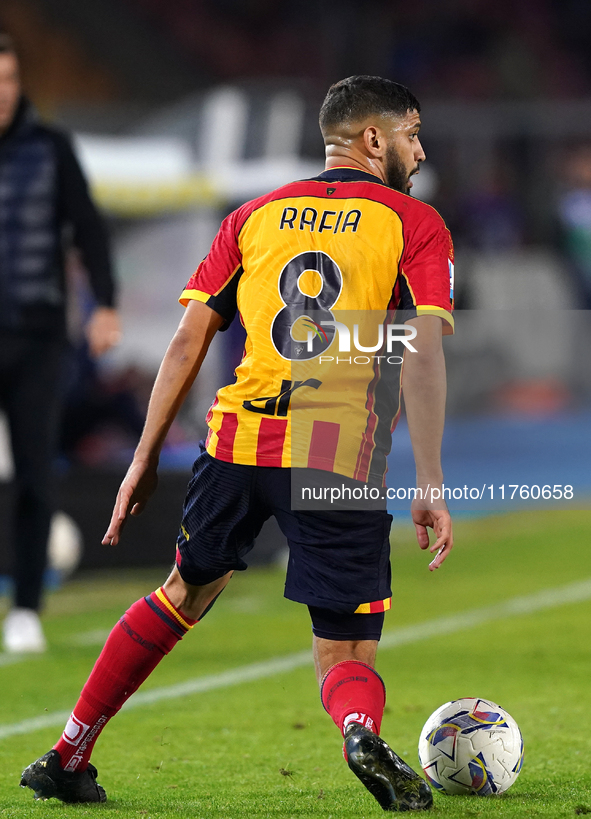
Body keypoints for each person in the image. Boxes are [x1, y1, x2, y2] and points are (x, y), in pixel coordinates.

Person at [20, 75, 454, 812]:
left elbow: (191, 336)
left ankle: (68, 750)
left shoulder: (253, 215)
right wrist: (433, 479)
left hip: (235, 441)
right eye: (411, 132)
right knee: (344, 649)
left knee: (183, 590)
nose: (419, 149)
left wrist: (143, 457)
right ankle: (357, 729)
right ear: (372, 139)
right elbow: (419, 351)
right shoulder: (413, 223)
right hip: (332, 450)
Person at [0, 34, 121, 653]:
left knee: (33, 474)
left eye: (10, 80)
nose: (3, 93)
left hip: (36, 338)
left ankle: (24, 607)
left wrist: (103, 302)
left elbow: (90, 228)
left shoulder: (50, 149)